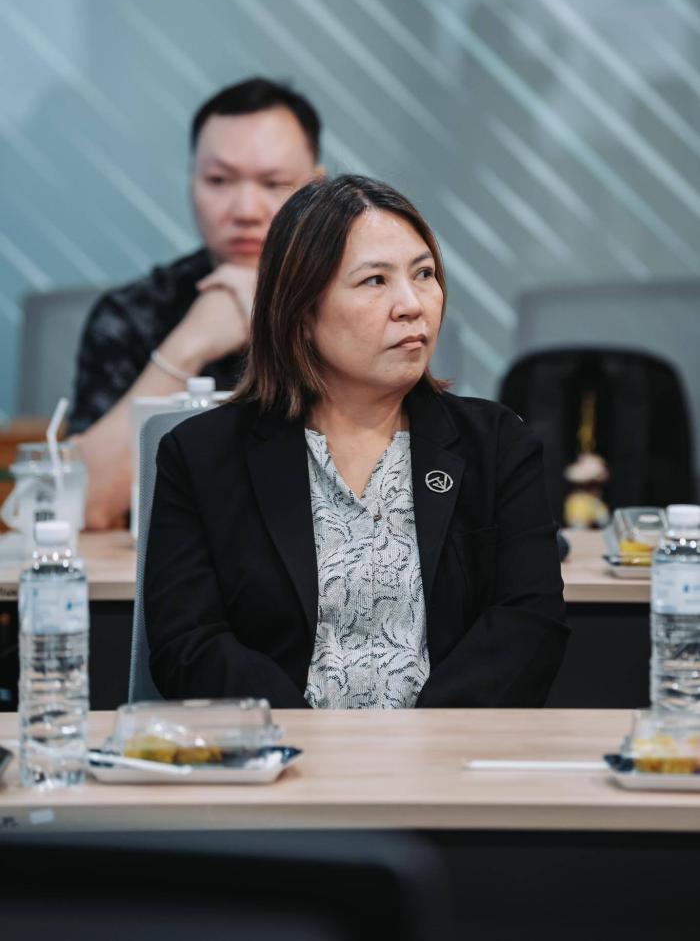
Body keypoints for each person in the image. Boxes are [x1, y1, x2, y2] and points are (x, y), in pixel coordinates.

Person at [144, 174, 569, 709]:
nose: (411, 304)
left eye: (424, 274)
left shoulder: (497, 443)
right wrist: (305, 741)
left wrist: (424, 740)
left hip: (451, 751)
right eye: (375, 281)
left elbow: (529, 624)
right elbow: (189, 644)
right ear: (301, 313)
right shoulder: (201, 456)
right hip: (278, 752)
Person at [68, 77, 324, 529]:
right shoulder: (133, 312)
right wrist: (189, 345)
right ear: (191, 184)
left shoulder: (359, 301)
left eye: (274, 183)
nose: (246, 210)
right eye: (219, 180)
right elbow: (85, 506)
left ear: (316, 189)